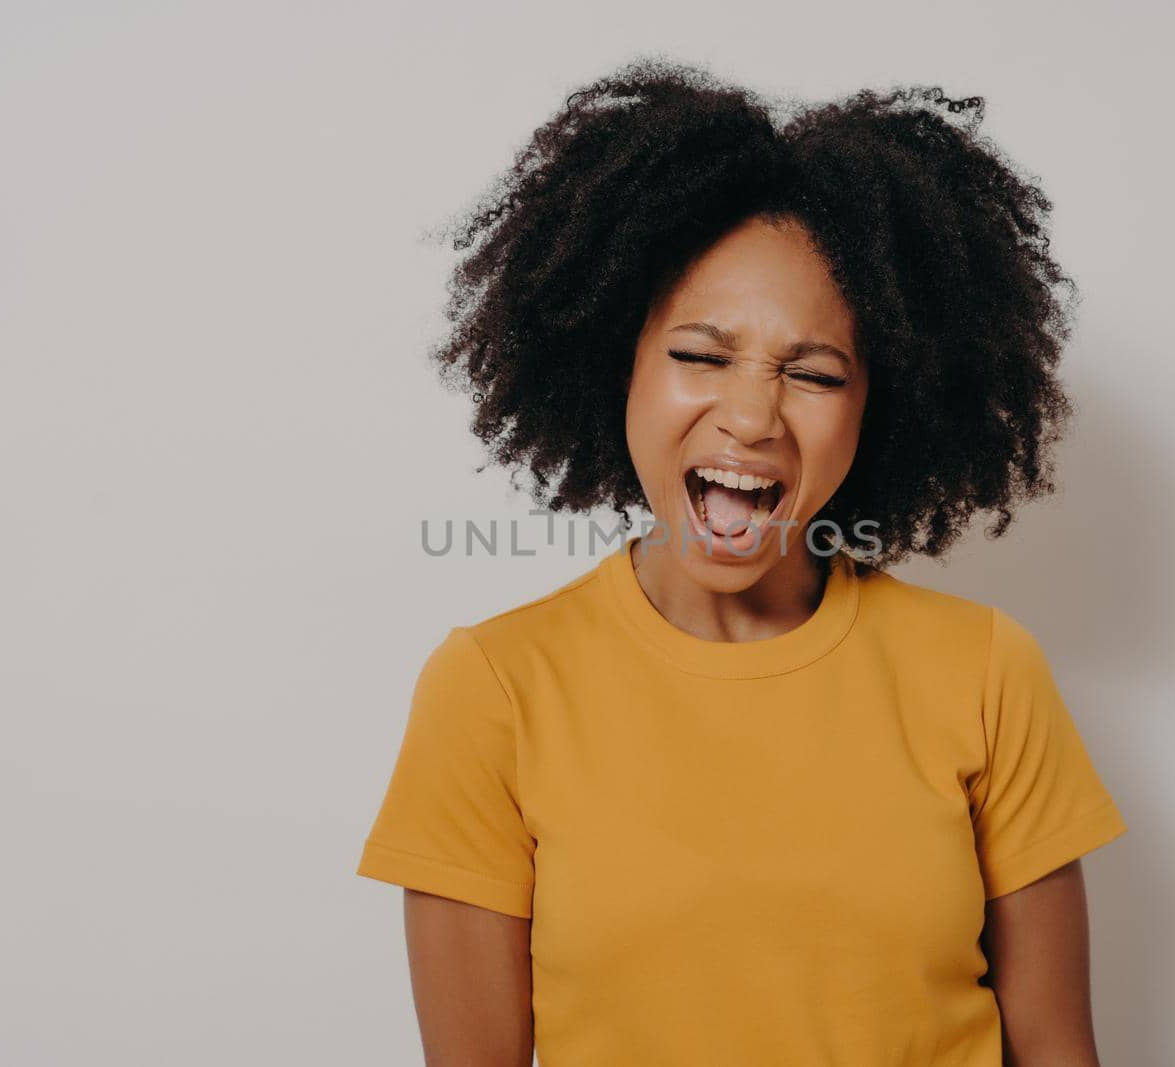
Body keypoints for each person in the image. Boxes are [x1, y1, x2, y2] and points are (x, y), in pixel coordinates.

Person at [356, 56, 1127, 1067]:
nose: (753, 414)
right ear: (612, 363)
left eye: (812, 372)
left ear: (876, 411)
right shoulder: (495, 688)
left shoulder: (984, 670)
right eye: (699, 355)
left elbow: (1058, 1050)